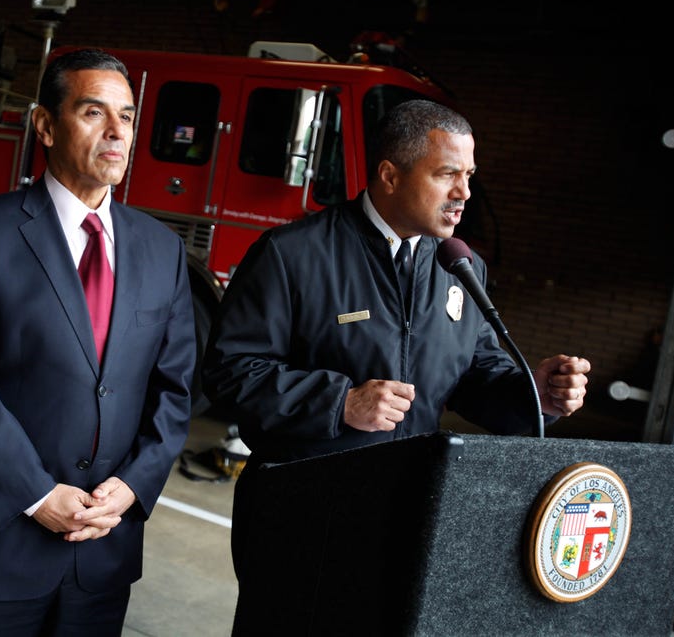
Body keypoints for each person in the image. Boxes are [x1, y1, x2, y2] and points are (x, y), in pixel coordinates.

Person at [201, 98, 591, 632]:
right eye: (446, 174)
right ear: (389, 175)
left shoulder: (459, 265)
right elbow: (229, 372)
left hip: (407, 517)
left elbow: (477, 377)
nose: (464, 194)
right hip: (302, 517)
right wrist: (342, 403)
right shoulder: (293, 255)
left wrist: (535, 393)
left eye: (469, 175)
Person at [0, 48, 196, 636]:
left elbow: (172, 392)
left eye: (128, 115)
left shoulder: (162, 250)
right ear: (45, 124)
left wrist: (132, 487)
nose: (118, 132)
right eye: (95, 112)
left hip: (101, 557)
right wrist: (36, 494)